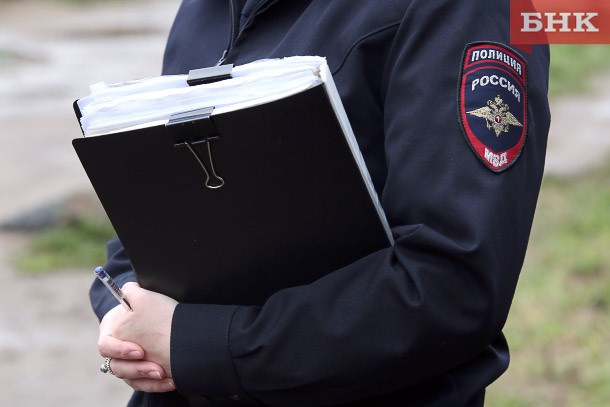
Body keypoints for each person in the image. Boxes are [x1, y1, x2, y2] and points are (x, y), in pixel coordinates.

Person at [91, 0, 551, 405]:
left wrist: (205, 345)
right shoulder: (205, 8)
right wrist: (125, 305)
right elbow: (152, 216)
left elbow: (453, 284)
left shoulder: (462, 9)